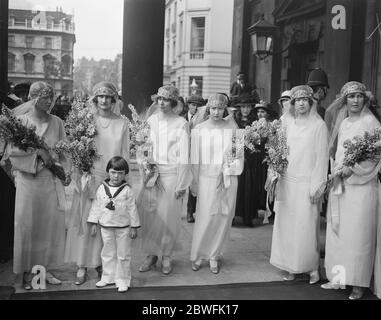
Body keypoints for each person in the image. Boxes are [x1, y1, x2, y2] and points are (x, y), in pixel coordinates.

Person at [5, 82, 70, 289]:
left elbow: (64, 149)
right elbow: (12, 153)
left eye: (51, 97)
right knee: (27, 226)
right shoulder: (20, 121)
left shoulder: (58, 122)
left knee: (47, 226)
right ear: (33, 98)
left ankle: (43, 269)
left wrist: (62, 168)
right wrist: (38, 154)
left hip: (49, 181)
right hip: (28, 181)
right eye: (45, 97)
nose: (49, 102)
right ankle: (26, 272)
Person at [65, 81, 130, 285]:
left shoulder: (122, 123)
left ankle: (103, 265)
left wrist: (122, 180)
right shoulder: (85, 120)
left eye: (108, 97)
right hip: (89, 176)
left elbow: (125, 153)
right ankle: (82, 265)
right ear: (95, 99)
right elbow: (76, 151)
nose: (104, 100)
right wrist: (79, 173)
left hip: (113, 179)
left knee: (108, 223)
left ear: (114, 99)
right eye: (100, 96)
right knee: (86, 220)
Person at [321, 82, 381, 300]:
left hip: (362, 187)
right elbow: (339, 153)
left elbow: (375, 156)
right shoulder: (344, 123)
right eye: (351, 97)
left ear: (365, 100)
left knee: (358, 235)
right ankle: (338, 277)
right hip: (343, 185)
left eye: (359, 96)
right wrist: (337, 171)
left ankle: (359, 283)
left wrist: (352, 169)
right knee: (340, 233)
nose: (355, 100)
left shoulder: (371, 122)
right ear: (344, 100)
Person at [270, 85, 329, 284]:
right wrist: (275, 174)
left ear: (311, 102)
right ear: (292, 104)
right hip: (287, 182)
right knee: (287, 226)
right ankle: (291, 265)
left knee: (306, 226)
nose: (301, 103)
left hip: (306, 184)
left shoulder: (318, 125)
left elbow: (322, 159)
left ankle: (311, 267)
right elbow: (277, 151)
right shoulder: (286, 123)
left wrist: (317, 186)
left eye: (305, 100)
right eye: (297, 100)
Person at [138, 85, 191, 275]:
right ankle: (151, 255)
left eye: (166, 99)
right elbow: (143, 146)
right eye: (159, 99)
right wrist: (145, 164)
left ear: (174, 102)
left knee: (168, 217)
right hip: (152, 174)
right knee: (151, 216)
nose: (161, 103)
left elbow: (184, 156)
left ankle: (167, 255)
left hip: (170, 176)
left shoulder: (181, 123)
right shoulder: (150, 120)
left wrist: (182, 183)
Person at [190, 93, 244, 274]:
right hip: (206, 179)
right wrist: (194, 182)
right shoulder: (198, 129)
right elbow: (194, 159)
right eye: (213, 108)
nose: (216, 112)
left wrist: (231, 169)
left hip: (228, 179)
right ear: (207, 109)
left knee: (223, 217)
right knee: (205, 217)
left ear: (225, 109)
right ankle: (198, 254)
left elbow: (239, 155)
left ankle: (214, 255)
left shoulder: (234, 129)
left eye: (220, 108)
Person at [87, 156, 140, 293]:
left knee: (123, 255)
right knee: (107, 253)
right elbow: (96, 206)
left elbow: (132, 208)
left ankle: (122, 279)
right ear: (108, 172)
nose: (116, 176)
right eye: (113, 172)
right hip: (106, 226)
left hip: (123, 228)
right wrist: (93, 223)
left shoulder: (127, 190)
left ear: (125, 174)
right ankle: (108, 277)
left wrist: (134, 226)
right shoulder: (101, 188)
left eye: (120, 173)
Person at [233, 94, 260, 227]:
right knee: (234, 186)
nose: (245, 110)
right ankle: (232, 215)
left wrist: (255, 139)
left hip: (250, 157)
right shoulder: (233, 120)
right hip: (234, 156)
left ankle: (247, 216)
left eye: (248, 107)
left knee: (248, 186)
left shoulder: (255, 121)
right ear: (239, 108)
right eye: (243, 107)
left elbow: (259, 140)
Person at [184, 94, 205, 223]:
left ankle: (191, 211)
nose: (195, 107)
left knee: (195, 182)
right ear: (188, 105)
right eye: (193, 104)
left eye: (198, 105)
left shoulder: (204, 120)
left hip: (199, 154)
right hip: (184, 154)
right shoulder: (181, 119)